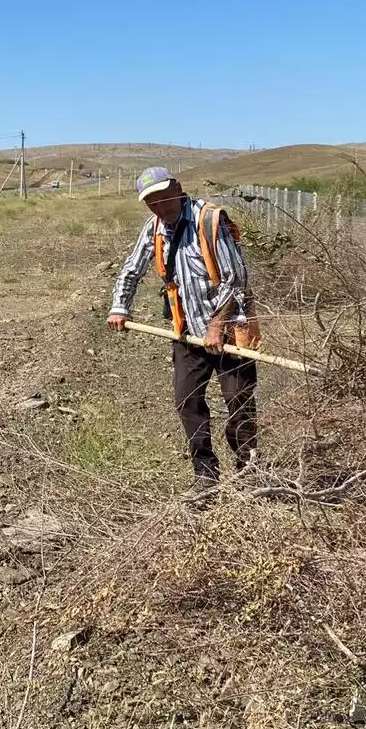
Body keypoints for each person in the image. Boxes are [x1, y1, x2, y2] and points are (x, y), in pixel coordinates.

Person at [107, 166, 261, 502]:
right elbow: (131, 269)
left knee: (239, 400)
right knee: (187, 401)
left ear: (177, 187)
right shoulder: (155, 228)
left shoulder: (209, 220)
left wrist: (217, 326)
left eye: (164, 197)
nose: (161, 206)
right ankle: (205, 475)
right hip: (186, 331)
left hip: (230, 328)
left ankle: (249, 471)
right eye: (152, 202)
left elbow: (236, 277)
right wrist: (120, 307)